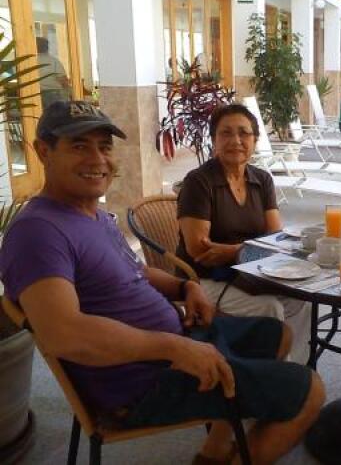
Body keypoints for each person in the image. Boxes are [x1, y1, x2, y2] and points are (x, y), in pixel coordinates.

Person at [0, 100, 324, 465]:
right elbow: (65, 334)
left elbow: (136, 271)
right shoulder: (38, 232)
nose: (98, 159)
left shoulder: (93, 215)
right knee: (309, 390)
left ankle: (214, 453)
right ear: (43, 151)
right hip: (139, 383)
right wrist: (174, 348)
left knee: (275, 335)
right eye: (79, 146)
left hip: (173, 342)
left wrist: (186, 288)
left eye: (104, 147)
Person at [176, 104, 312, 364]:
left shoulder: (262, 180)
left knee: (301, 300)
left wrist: (233, 251)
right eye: (226, 133)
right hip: (202, 279)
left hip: (252, 274)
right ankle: (269, 375)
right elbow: (199, 250)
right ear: (214, 140)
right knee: (270, 308)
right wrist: (253, 249)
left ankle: (296, 368)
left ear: (255, 140)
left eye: (243, 133)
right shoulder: (199, 182)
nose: (235, 141)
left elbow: (275, 239)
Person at [36, 37, 70, 109]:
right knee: (56, 115)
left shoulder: (30, 62)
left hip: (36, 94)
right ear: (47, 47)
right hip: (53, 95)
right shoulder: (53, 61)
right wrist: (69, 93)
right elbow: (63, 80)